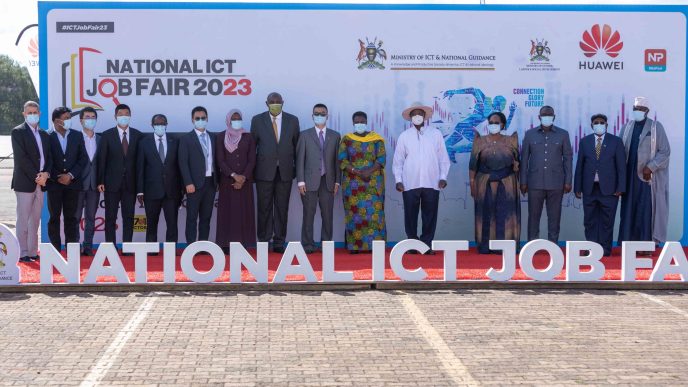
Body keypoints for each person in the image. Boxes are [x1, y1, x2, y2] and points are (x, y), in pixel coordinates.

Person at [392, 102, 450, 255]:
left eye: (420, 113)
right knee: (410, 215)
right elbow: (398, 160)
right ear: (410, 117)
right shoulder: (405, 136)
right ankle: (412, 244)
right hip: (410, 182)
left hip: (432, 182)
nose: (417, 116)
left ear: (424, 116)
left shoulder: (435, 134)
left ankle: (426, 245)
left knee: (430, 215)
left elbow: (443, 158)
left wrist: (443, 177)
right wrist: (398, 180)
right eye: (414, 114)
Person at [618, 97, 670, 252]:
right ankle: (629, 247)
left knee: (646, 210)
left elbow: (665, 151)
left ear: (647, 111)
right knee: (629, 211)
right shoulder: (627, 127)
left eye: (641, 109)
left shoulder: (655, 127)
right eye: (635, 108)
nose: (637, 111)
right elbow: (620, 150)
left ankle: (646, 246)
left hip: (648, 179)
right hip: (629, 177)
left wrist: (651, 167)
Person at [250, 92, 300, 253]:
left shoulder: (293, 120)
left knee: (281, 207)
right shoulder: (257, 120)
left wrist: (296, 171)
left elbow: (297, 147)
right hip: (263, 172)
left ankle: (279, 242)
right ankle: (263, 241)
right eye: (272, 102)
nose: (275, 104)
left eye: (278, 101)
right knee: (263, 207)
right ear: (267, 103)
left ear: (283, 103)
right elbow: (252, 148)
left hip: (285, 172)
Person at [574, 114, 626, 256]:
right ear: (592, 126)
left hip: (610, 190)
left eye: (601, 122)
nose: (599, 124)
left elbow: (621, 167)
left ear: (606, 125)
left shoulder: (616, 142)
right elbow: (580, 166)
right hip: (589, 189)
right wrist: (577, 188)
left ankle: (605, 249)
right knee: (589, 221)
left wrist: (621, 187)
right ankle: (591, 248)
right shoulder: (584, 142)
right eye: (596, 123)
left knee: (607, 221)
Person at [520, 105, 573, 242]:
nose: (547, 117)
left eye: (549, 115)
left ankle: (553, 245)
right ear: (539, 117)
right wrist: (523, 181)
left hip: (556, 183)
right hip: (534, 182)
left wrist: (568, 181)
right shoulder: (530, 134)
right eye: (544, 115)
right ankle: (532, 244)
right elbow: (524, 159)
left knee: (555, 216)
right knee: (533, 216)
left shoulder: (563, 134)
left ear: (554, 117)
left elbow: (568, 158)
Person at [469, 112, 520, 254]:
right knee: (485, 213)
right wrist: (472, 183)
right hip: (484, 182)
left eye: (496, 123)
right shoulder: (479, 141)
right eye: (490, 122)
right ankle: (485, 246)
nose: (493, 125)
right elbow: (473, 165)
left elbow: (517, 163)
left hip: (507, 182)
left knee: (506, 213)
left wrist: (517, 167)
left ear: (503, 125)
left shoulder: (512, 140)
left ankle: (505, 247)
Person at [338, 111, 386, 254]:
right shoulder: (346, 139)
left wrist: (369, 171)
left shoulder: (376, 139)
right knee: (354, 214)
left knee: (374, 213)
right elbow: (342, 160)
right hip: (353, 184)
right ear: (353, 123)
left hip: (373, 183)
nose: (360, 124)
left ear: (366, 122)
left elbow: (381, 159)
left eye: (362, 121)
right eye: (357, 122)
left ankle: (374, 246)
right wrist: (358, 172)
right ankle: (354, 246)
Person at [296, 103, 341, 254]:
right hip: (309, 182)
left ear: (327, 116)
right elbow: (300, 159)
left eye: (323, 113)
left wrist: (337, 181)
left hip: (328, 181)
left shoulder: (335, 136)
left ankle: (326, 245)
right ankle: (308, 245)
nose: (320, 115)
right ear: (312, 115)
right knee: (308, 215)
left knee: (327, 215)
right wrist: (300, 181)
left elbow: (337, 161)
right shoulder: (304, 135)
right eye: (317, 113)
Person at [11, 101, 52, 262]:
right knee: (23, 219)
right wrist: (38, 176)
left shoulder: (44, 134)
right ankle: (22, 252)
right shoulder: (18, 132)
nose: (33, 115)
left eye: (35, 112)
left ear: (40, 114)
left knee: (35, 220)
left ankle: (33, 252)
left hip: (41, 183)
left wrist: (46, 174)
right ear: (24, 114)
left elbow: (49, 158)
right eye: (29, 112)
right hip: (25, 182)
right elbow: (22, 159)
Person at [97, 103, 142, 247]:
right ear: (115, 116)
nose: (124, 117)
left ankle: (127, 247)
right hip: (111, 184)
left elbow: (140, 163)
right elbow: (102, 160)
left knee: (128, 217)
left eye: (126, 114)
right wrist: (100, 180)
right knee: (110, 217)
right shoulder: (107, 135)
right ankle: (110, 248)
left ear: (130, 116)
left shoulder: (137, 135)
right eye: (120, 114)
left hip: (131, 183)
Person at [46, 106, 88, 251]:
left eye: (70, 118)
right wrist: (58, 176)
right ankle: (55, 251)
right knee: (54, 218)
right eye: (66, 118)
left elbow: (83, 159)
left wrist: (70, 175)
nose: (69, 121)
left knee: (72, 218)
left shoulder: (77, 135)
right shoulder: (47, 136)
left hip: (73, 184)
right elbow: (46, 159)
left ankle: (72, 250)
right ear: (57, 121)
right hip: (54, 184)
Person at [136, 114, 182, 243]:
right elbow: (140, 168)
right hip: (151, 191)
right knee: (151, 224)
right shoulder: (144, 143)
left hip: (172, 191)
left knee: (172, 224)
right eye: (157, 124)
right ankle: (151, 250)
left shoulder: (175, 141)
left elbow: (179, 167)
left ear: (166, 125)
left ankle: (171, 249)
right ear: (152, 125)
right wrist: (140, 190)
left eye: (162, 124)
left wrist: (181, 190)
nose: (160, 126)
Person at [215, 109, 257, 250]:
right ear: (228, 120)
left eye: (239, 118)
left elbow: (252, 160)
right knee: (228, 214)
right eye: (234, 118)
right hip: (228, 182)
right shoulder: (221, 137)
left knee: (244, 213)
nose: (236, 121)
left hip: (245, 182)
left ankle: (244, 245)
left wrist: (243, 177)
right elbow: (220, 160)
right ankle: (225, 245)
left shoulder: (248, 136)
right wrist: (233, 175)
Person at [178, 106, 217, 243]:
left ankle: (203, 245)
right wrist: (188, 182)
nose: (200, 120)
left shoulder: (213, 137)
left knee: (206, 217)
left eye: (203, 118)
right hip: (194, 184)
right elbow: (183, 162)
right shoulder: (186, 139)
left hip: (211, 182)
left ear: (207, 119)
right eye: (197, 118)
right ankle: (191, 246)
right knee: (192, 217)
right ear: (192, 120)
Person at [75, 107, 100, 256]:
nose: (90, 119)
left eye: (92, 117)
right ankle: (75, 248)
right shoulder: (75, 138)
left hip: (94, 185)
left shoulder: (101, 139)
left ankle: (88, 247)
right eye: (87, 117)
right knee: (75, 218)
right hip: (77, 185)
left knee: (91, 218)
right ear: (81, 120)